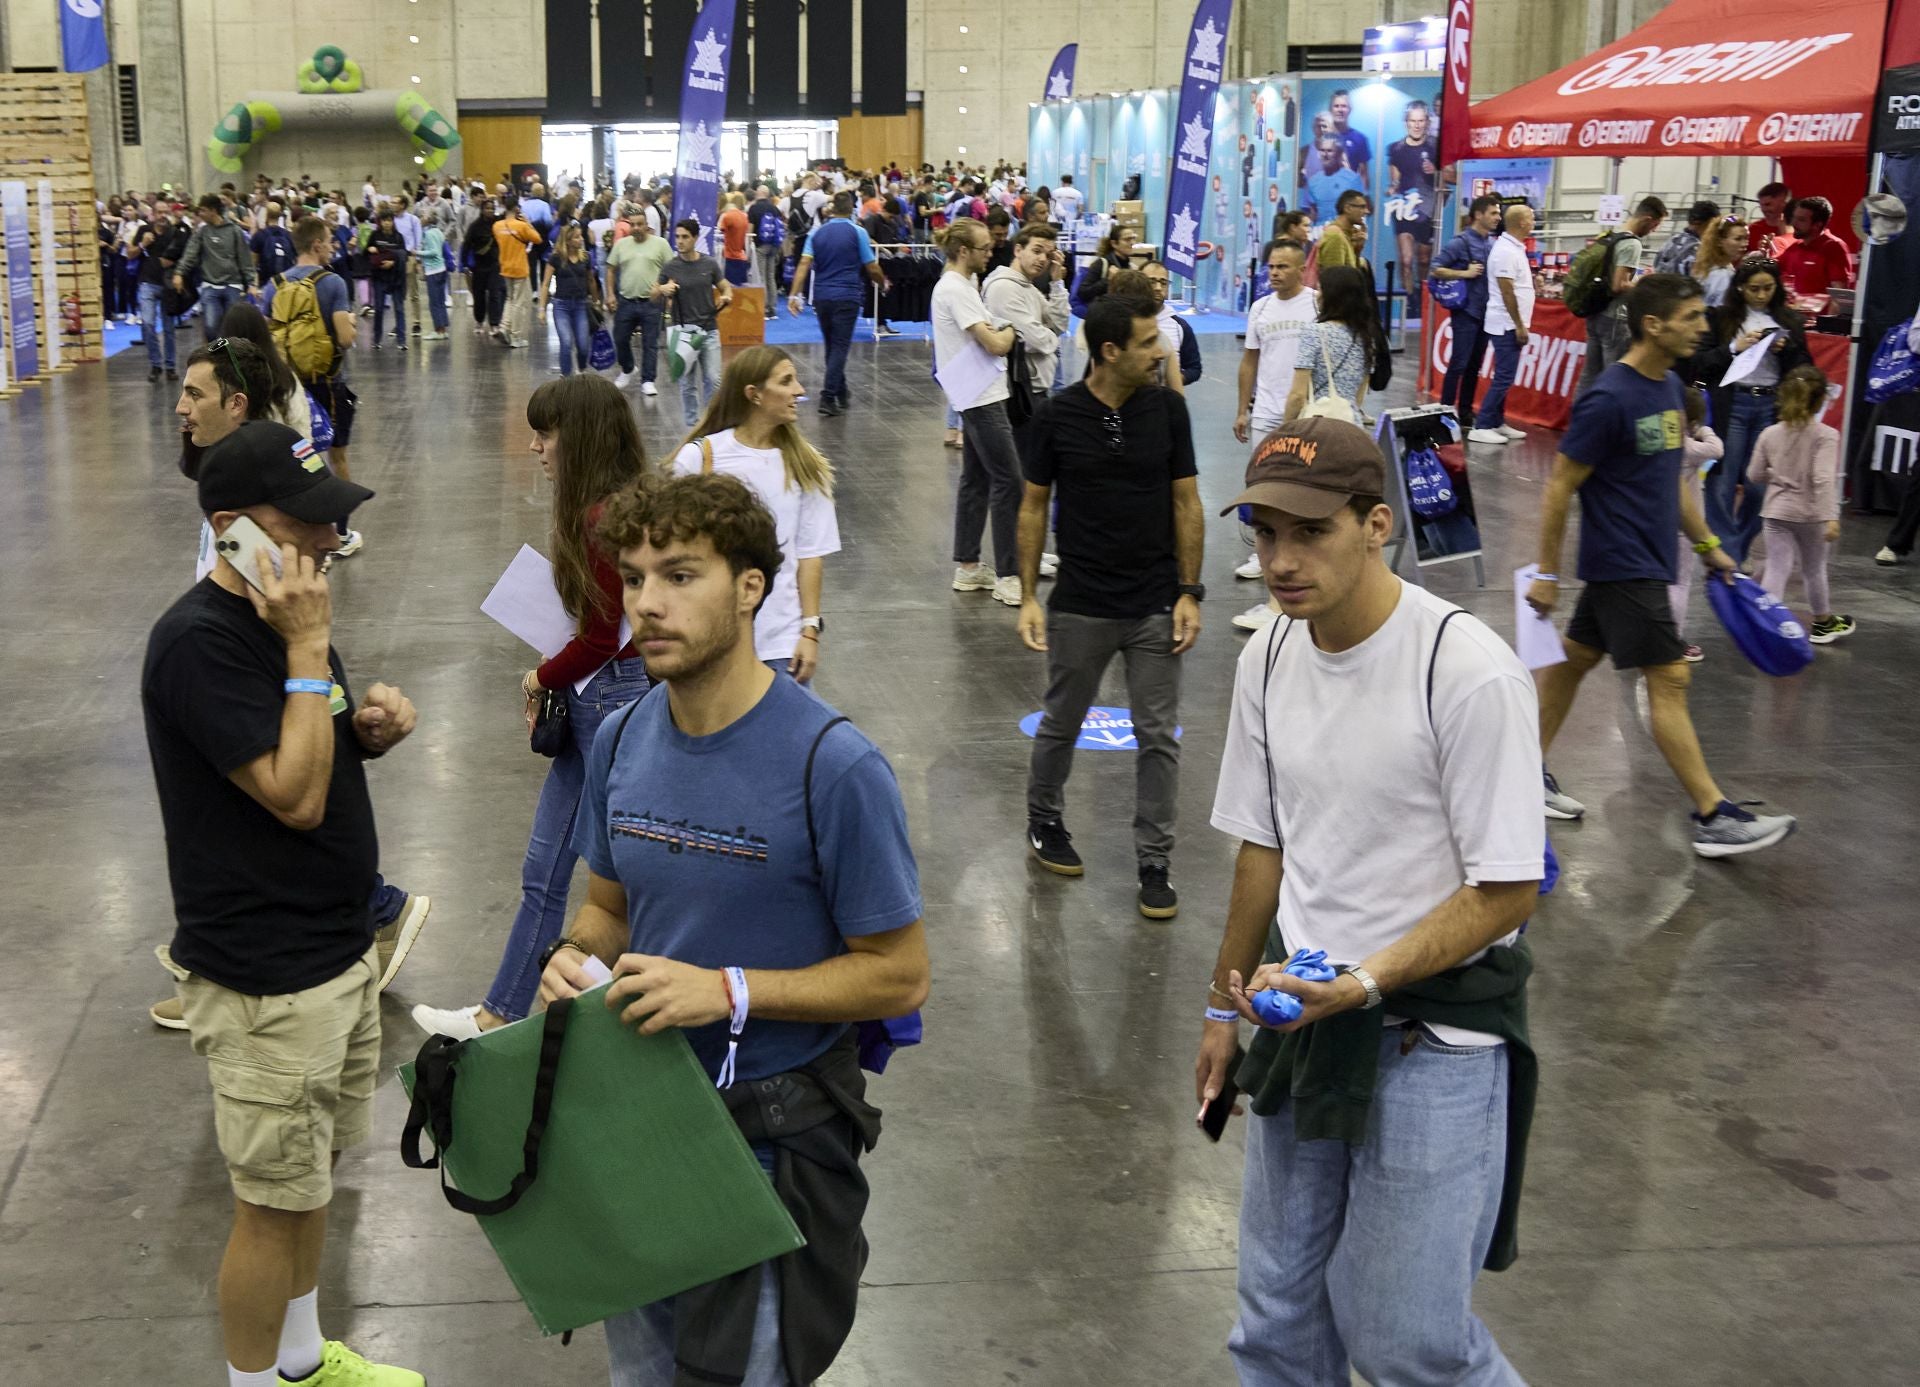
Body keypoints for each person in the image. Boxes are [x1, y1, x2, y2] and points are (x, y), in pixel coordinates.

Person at [534, 469, 927, 1387]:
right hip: (640, 1123)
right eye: (634, 578)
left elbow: (899, 974)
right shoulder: (625, 737)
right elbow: (607, 908)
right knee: (641, 1373)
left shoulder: (833, 765)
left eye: (680, 575)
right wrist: (569, 956)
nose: (648, 604)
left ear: (751, 586)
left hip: (771, 1143)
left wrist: (729, 989)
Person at [1197, 413, 1543, 1387]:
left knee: (1407, 1341)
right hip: (1303, 1021)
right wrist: (1224, 1009)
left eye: (1310, 532)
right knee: (1275, 1326)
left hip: (1432, 1041)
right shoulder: (1267, 654)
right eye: (1265, 533)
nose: (1281, 560)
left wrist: (1364, 980)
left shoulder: (1465, 672)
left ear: (1377, 523)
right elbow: (1260, 851)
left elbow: (1510, 886)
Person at [144, 420, 427, 1387]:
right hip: (267, 981)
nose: (324, 547)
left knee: (311, 1181)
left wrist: (370, 729)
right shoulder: (201, 643)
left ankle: (304, 1362)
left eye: (329, 526)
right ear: (232, 531)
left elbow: (317, 749)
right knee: (268, 1204)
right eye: (300, 528)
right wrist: (311, 646)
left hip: (336, 953)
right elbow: (294, 796)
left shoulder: (283, 621)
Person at [411, 376, 649, 1040]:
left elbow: (602, 635)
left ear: (580, 436)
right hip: (612, 697)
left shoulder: (603, 516)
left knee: (573, 873)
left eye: (545, 434)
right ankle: (506, 1009)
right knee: (551, 869)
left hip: (604, 700)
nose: (537, 447)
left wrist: (540, 674)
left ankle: (510, 1012)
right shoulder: (622, 504)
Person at [1527, 273, 1797, 856]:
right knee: (1671, 679)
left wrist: (1706, 545)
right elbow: (1560, 486)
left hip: (1647, 559)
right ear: (1654, 325)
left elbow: (1669, 480)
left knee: (1573, 663)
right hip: (1624, 562)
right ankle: (1712, 815)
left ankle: (1518, 776)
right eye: (1693, 316)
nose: (1705, 326)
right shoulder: (1608, 397)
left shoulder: (1671, 389)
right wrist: (1547, 572)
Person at [1017, 293, 1203, 918]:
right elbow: (1033, 507)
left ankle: (1155, 861)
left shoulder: (1169, 412)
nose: (1162, 350)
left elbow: (1186, 503)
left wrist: (1188, 590)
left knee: (1158, 736)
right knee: (1061, 723)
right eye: (1150, 343)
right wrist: (1027, 597)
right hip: (1081, 603)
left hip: (1155, 601)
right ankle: (1044, 819)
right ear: (1110, 351)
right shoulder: (1056, 417)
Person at [670, 346, 841, 681]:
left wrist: (809, 631)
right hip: (710, 642)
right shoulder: (699, 459)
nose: (800, 390)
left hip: (781, 646)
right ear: (754, 394)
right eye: (787, 381)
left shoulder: (807, 467)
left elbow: (809, 555)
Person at [1693, 257, 1812, 565]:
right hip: (1731, 403)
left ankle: (1737, 549)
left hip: (1769, 406)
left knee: (1760, 489)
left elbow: (1806, 369)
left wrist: (1787, 351)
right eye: (1754, 289)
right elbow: (1700, 362)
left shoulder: (1791, 321)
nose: (1761, 295)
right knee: (1721, 483)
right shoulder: (1719, 319)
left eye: (1768, 288)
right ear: (1741, 288)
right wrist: (1735, 348)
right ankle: (1728, 555)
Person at [264, 216, 366, 558]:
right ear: (317, 245)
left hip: (288, 388)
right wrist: (350, 321)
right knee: (336, 456)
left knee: (295, 459)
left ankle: (296, 536)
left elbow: (266, 337)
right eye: (329, 241)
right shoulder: (333, 283)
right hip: (327, 383)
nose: (333, 246)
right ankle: (340, 533)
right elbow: (345, 339)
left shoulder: (274, 285)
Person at [935, 218, 1022, 605]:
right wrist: (1010, 332)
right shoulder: (957, 289)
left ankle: (969, 567)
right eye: (985, 248)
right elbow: (994, 344)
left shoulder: (958, 285)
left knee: (976, 480)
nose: (992, 252)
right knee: (1009, 481)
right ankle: (1008, 574)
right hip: (982, 397)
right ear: (964, 251)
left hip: (973, 394)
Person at [1749, 365, 1854, 643]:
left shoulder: (1769, 433)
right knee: (1813, 568)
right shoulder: (1826, 435)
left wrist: (1777, 475)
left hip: (1775, 512)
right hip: (1810, 514)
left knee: (1776, 567)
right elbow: (1822, 478)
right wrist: (1830, 516)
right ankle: (1822, 623)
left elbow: (1754, 475)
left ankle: (1766, 626)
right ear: (1820, 399)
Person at [788, 191, 884, 416]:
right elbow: (871, 266)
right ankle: (828, 396)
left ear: (831, 210)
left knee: (832, 345)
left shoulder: (817, 234)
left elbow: (803, 264)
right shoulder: (858, 232)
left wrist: (794, 295)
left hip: (821, 297)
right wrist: (883, 281)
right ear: (851, 208)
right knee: (840, 346)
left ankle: (841, 390)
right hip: (847, 296)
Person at [985, 224, 1073, 444]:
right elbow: (1034, 340)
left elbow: (1059, 324)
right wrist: (1050, 337)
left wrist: (1056, 282)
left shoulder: (1029, 288)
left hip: (1035, 388)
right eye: (1036, 250)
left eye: (1048, 254)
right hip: (1019, 392)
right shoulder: (1004, 288)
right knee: (1022, 467)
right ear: (1018, 250)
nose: (1042, 259)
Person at [1574, 196, 1667, 398]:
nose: (1654, 230)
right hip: (1614, 318)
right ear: (1647, 219)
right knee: (1614, 376)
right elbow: (1619, 285)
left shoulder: (1610, 236)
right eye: (1656, 225)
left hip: (1595, 312)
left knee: (1589, 374)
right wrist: (1643, 283)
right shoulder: (1632, 244)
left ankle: (1580, 420)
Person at [1469, 203, 1538, 446]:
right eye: (1531, 218)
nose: (1533, 221)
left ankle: (1496, 421)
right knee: (1504, 376)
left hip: (1510, 322)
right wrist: (1519, 324)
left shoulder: (1514, 248)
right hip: (1506, 324)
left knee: (1505, 375)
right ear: (1521, 222)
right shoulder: (1505, 251)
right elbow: (1506, 290)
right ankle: (1483, 425)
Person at [1666, 385, 1724, 664]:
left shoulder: (1661, 442)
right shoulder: (1690, 447)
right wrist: (1703, 429)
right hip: (1683, 527)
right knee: (1679, 583)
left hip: (1654, 521)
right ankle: (1673, 640)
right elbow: (1718, 449)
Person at [1433, 196, 1502, 423]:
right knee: (1459, 363)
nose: (1497, 217)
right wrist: (1464, 273)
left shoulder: (1492, 244)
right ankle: (1444, 412)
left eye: (1498, 213)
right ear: (1479, 215)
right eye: (1493, 213)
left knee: (1475, 365)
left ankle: (1465, 412)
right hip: (1465, 312)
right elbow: (1435, 270)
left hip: (1485, 313)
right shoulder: (1459, 243)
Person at [658, 218, 733, 427]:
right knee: (687, 384)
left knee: (714, 379)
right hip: (683, 333)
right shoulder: (671, 266)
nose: (680, 241)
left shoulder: (709, 263)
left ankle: (710, 422)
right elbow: (653, 292)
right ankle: (692, 426)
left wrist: (726, 295)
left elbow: (725, 285)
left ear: (695, 238)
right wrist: (663, 290)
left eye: (685, 237)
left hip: (709, 328)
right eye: (677, 237)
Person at [1283, 264, 1373, 424]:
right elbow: (1359, 396)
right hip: (1351, 426)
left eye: (1320, 289)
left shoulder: (1314, 333)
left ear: (1332, 295)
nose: (1317, 295)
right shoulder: (1366, 337)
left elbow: (1297, 395)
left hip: (1318, 427)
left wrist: (1284, 428)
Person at [605, 206, 672, 393]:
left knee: (650, 342)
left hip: (652, 302)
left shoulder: (660, 244)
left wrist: (668, 293)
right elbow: (610, 269)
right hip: (626, 301)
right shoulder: (621, 245)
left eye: (639, 224)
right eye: (632, 224)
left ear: (647, 225)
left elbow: (671, 270)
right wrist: (610, 294)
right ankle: (627, 368)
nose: (635, 228)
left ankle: (648, 380)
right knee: (619, 338)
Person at [175, 193, 256, 339]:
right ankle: (219, 355)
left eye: (203, 210)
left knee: (233, 329)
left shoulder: (235, 231)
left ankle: (232, 358)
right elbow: (190, 254)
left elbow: (245, 259)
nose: (200, 213)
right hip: (210, 286)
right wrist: (179, 273)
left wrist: (251, 283)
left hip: (233, 285)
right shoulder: (202, 232)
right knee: (211, 327)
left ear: (213, 210)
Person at [1385, 100, 1439, 297]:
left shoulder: (1436, 147)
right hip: (1405, 207)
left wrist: (1436, 172)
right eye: (1412, 120)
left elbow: (1454, 177)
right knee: (1406, 260)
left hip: (1429, 207)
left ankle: (1422, 297)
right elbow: (1395, 179)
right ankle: (1409, 300)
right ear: (1406, 122)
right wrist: (1392, 188)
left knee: (1423, 259)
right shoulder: (1396, 149)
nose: (1416, 125)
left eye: (1421, 121)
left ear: (1426, 122)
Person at [137, 209, 191, 382]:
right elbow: (129, 253)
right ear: (152, 214)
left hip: (167, 285)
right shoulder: (143, 231)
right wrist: (142, 244)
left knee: (168, 329)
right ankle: (155, 364)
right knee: (147, 324)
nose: (161, 215)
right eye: (158, 212)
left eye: (164, 212)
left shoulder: (175, 234)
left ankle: (170, 366)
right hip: (147, 283)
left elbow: (183, 256)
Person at [540, 223, 601, 377]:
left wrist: (596, 301)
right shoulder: (556, 258)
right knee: (566, 342)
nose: (581, 239)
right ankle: (566, 376)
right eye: (577, 237)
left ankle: (581, 369)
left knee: (583, 345)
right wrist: (541, 309)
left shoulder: (585, 257)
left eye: (581, 236)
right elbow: (546, 284)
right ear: (567, 241)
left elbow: (591, 280)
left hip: (581, 305)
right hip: (561, 306)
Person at [1776, 197, 1856, 303]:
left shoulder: (1833, 247)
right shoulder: (1795, 247)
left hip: (1818, 318)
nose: (1794, 223)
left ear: (1817, 225)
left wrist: (1827, 320)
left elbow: (1839, 295)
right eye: (1794, 217)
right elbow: (1772, 272)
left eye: (1801, 220)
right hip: (1793, 317)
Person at [493, 193, 543, 348]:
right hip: (520, 267)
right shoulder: (521, 226)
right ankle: (515, 336)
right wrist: (527, 222)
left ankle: (503, 327)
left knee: (510, 299)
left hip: (505, 267)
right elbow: (537, 239)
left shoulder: (497, 226)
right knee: (519, 303)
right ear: (516, 208)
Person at [1141, 260, 1202, 387]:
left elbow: (1194, 368)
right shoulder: (1125, 321)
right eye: (1152, 282)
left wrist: (1175, 379)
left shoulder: (1180, 327)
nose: (1158, 288)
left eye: (1163, 283)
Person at [367, 210, 409, 351]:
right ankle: (376, 339)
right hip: (379, 278)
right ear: (380, 222)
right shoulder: (375, 236)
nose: (387, 223)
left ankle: (402, 340)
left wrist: (393, 262)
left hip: (396, 278)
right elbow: (366, 253)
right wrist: (370, 249)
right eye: (384, 220)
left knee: (399, 309)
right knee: (378, 309)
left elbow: (404, 255)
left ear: (393, 222)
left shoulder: (398, 237)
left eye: (389, 220)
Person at [1072, 224, 1138, 313]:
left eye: (1133, 238)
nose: (1132, 243)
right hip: (1101, 317)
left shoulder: (1131, 267)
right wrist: (1108, 280)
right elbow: (1083, 293)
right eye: (1127, 240)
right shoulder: (1102, 264)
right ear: (1114, 243)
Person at [1303, 144, 1366, 231]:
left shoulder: (1352, 179)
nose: (1325, 154)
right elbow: (1312, 212)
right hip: (1320, 232)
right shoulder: (1313, 181)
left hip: (1344, 232)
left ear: (1338, 154)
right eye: (1322, 150)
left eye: (1329, 151)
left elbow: (1360, 211)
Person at [1653, 199, 1721, 277]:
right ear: (1711, 222)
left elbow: (1656, 268)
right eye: (1716, 225)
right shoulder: (1699, 251)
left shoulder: (1671, 241)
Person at [1690, 216, 1748, 307]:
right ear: (1719, 241)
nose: (1745, 244)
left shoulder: (1710, 266)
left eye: (1746, 238)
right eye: (1738, 239)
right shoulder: (1721, 275)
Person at [748, 182, 786, 313]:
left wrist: (748, 246)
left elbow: (750, 230)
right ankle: (773, 306)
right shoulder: (774, 208)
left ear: (759, 193)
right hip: (774, 245)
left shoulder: (753, 208)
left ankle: (764, 307)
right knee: (771, 276)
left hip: (760, 245)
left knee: (761, 276)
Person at [418, 216, 450, 340]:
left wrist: (417, 253)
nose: (420, 219)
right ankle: (444, 328)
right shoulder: (439, 232)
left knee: (434, 302)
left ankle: (438, 330)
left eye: (422, 217)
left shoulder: (428, 234)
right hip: (441, 269)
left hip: (433, 270)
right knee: (440, 301)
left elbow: (434, 252)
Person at [250, 203, 297, 284]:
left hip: (266, 281)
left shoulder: (259, 235)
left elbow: (253, 263)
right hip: (287, 281)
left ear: (266, 215)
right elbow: (296, 259)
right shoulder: (288, 235)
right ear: (280, 216)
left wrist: (254, 284)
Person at [1747, 181, 1794, 257]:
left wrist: (1784, 236)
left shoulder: (1799, 230)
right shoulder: (1753, 229)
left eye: (1768, 204)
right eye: (1761, 205)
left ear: (1784, 203)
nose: (1764, 209)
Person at [718, 190, 753, 287]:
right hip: (742, 256)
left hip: (730, 256)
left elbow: (721, 232)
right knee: (742, 289)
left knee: (730, 289)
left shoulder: (727, 217)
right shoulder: (744, 216)